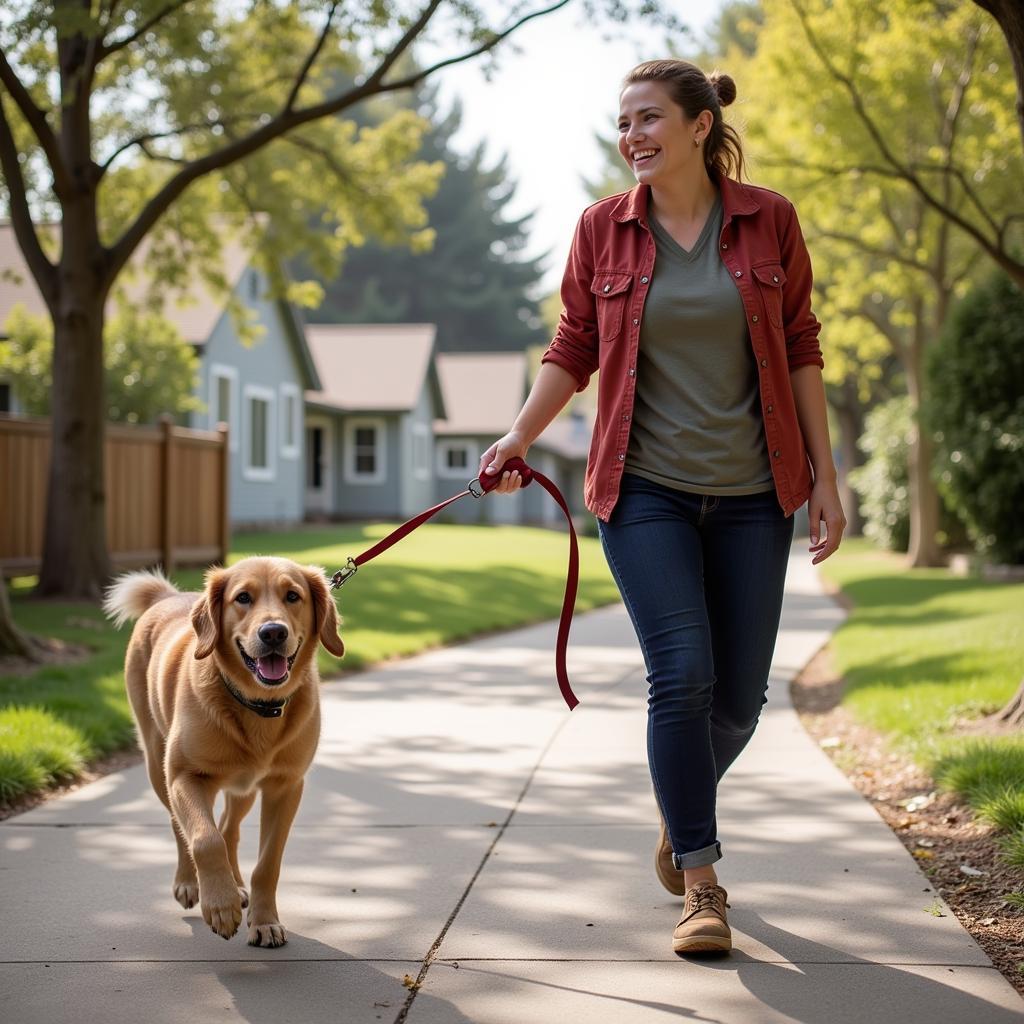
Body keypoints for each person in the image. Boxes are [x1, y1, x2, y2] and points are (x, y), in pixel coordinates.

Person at [478, 58, 847, 957]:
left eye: (647, 119)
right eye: (622, 123)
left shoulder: (770, 220)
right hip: (643, 493)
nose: (631, 136)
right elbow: (573, 345)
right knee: (679, 674)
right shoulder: (603, 231)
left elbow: (801, 346)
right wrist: (520, 434)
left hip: (757, 491)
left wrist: (827, 482)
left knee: (741, 700)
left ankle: (680, 811)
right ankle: (703, 880)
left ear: (696, 125)